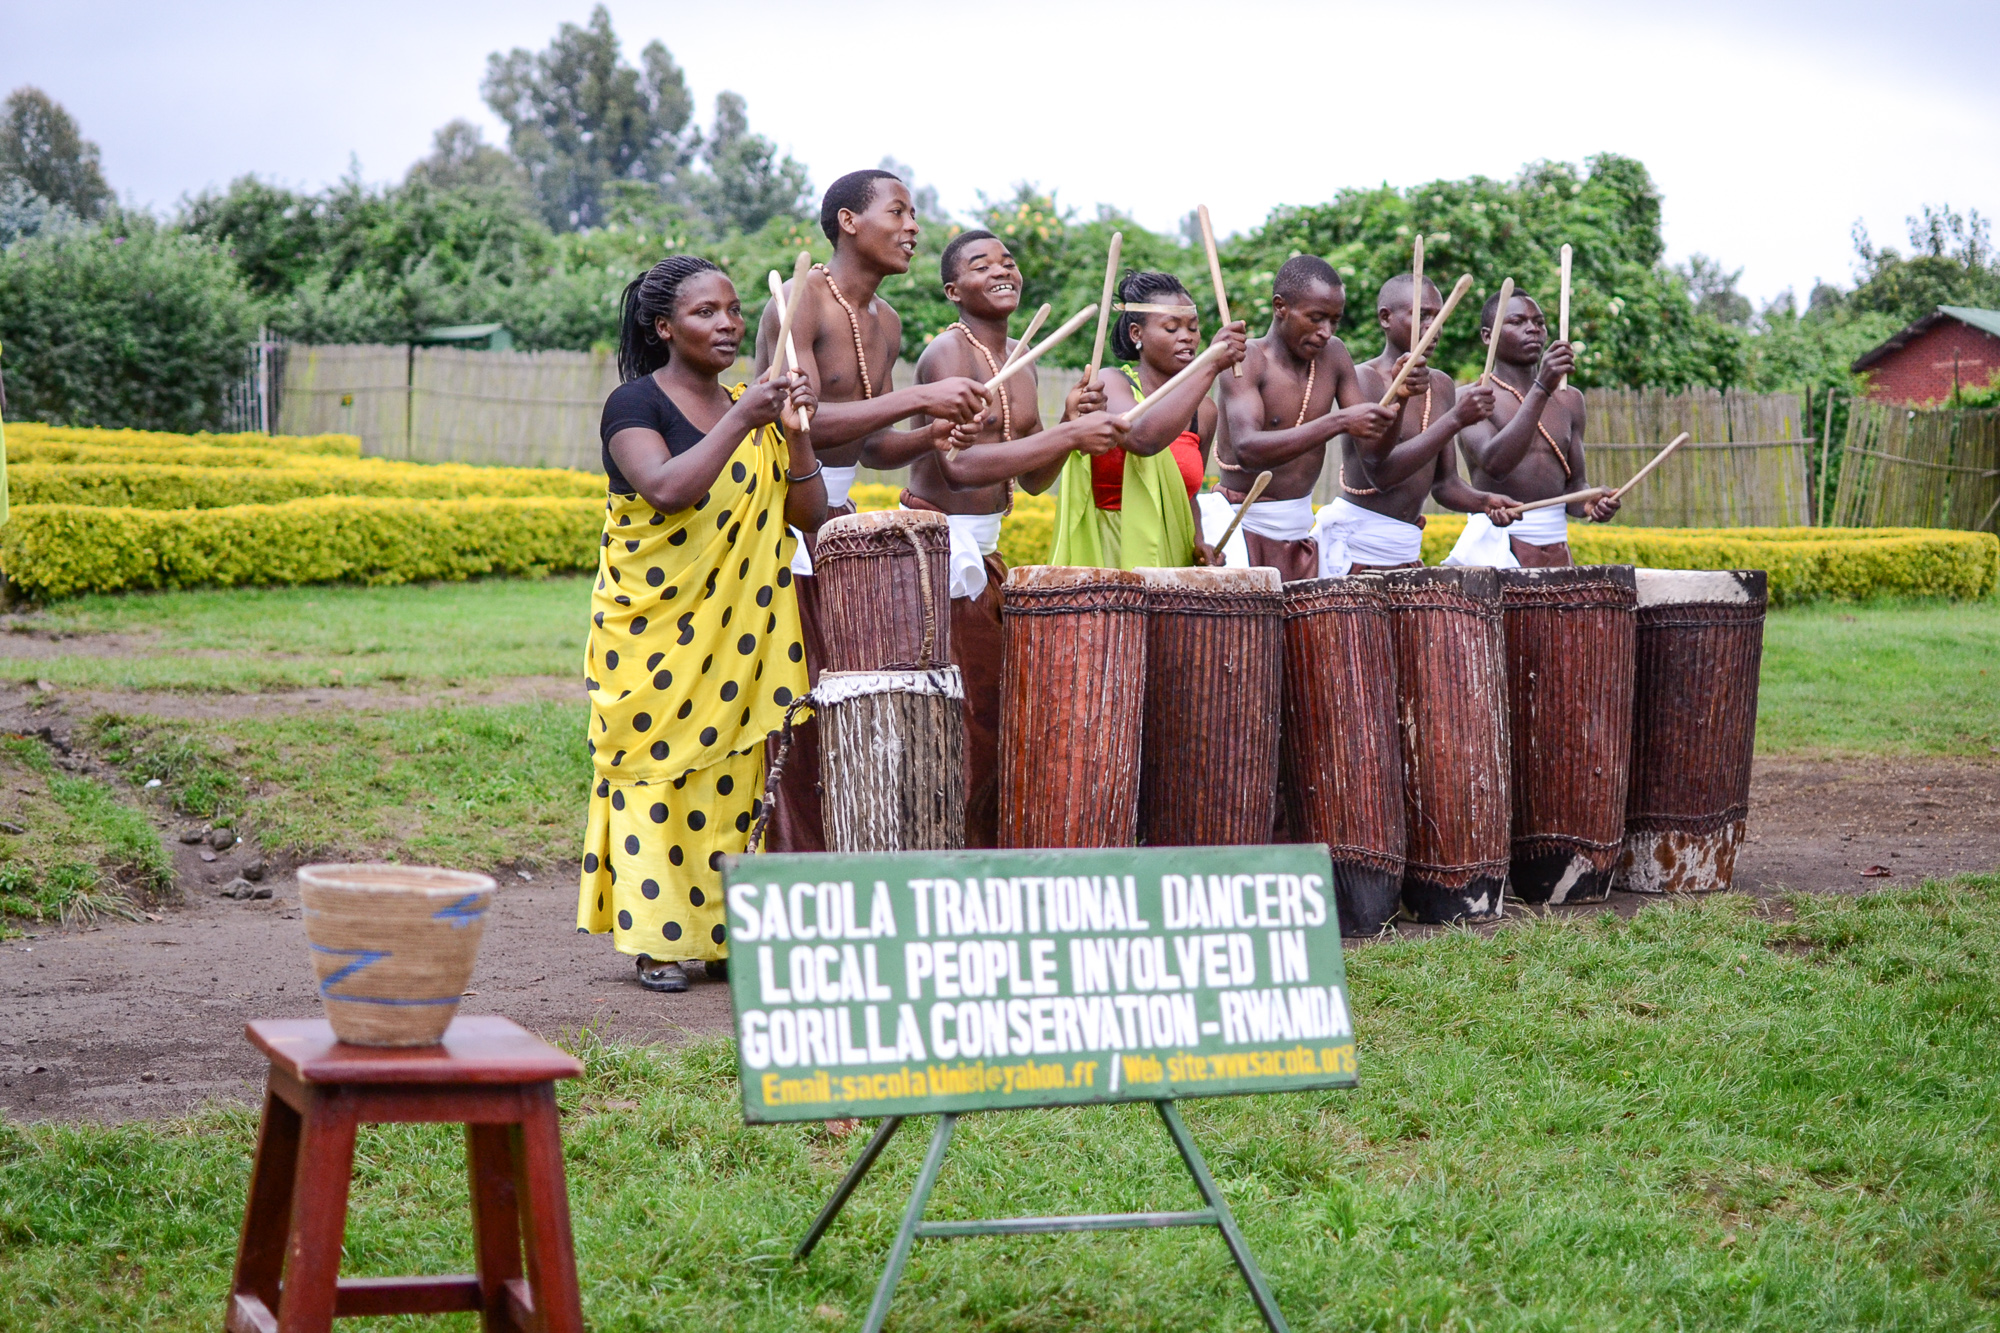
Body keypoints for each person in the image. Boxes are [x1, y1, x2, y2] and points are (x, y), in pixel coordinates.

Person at [579, 255, 825, 994]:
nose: (727, 323)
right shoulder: (634, 404)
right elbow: (666, 489)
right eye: (705, 313)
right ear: (664, 328)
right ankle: (658, 940)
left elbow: (808, 515)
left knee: (732, 779)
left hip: (738, 636)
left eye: (732, 310)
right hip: (653, 633)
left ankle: (721, 934)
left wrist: (796, 429)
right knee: (658, 772)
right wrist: (747, 419)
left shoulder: (751, 403)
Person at [750, 169, 990, 851]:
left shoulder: (885, 320)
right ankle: (789, 864)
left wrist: (931, 435)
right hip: (777, 519)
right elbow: (800, 422)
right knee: (792, 705)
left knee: (842, 703)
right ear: (849, 222)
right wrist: (921, 400)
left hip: (837, 524)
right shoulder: (798, 302)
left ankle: (846, 855)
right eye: (899, 211)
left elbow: (872, 445)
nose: (913, 226)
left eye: (916, 214)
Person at [906, 228, 1133, 846]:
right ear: (954, 290)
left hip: (982, 552)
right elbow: (958, 466)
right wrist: (1065, 438)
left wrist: (1066, 423)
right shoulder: (947, 355)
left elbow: (1032, 480)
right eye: (982, 265)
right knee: (967, 717)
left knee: (992, 710)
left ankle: (979, 847)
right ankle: (949, 853)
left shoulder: (1018, 365)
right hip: (936, 553)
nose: (1002, 269)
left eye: (1008, 260)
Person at [1315, 272, 1520, 574]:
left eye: (1439, 316)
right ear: (1385, 318)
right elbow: (1380, 473)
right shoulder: (1364, 379)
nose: (1433, 327)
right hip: (1357, 555)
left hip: (1407, 552)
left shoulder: (1441, 385)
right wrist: (1454, 419)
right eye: (1423, 315)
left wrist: (1484, 501)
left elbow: (1445, 483)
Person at [1214, 256, 1399, 579]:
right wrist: (1338, 422)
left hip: (1299, 534)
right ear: (1280, 307)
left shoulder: (1334, 356)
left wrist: (1403, 397)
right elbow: (1248, 450)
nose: (1326, 332)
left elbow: (1373, 454)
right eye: (1316, 318)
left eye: (1334, 321)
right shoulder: (1246, 360)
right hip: (1239, 532)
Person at [1053, 270, 1245, 569]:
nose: (1187, 337)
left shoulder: (1204, 411)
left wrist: (1199, 544)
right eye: (1171, 328)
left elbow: (1188, 497)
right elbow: (1142, 438)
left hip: (1172, 564)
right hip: (1110, 558)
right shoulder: (1110, 383)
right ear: (1136, 334)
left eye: (1193, 328)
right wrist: (1210, 366)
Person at [1445, 290, 1619, 568]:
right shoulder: (1473, 398)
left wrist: (1590, 503)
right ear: (1487, 336)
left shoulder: (1569, 399)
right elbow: (1495, 463)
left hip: (1557, 552)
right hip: (1496, 551)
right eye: (1517, 321)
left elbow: (1575, 486)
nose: (1532, 329)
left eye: (1539, 322)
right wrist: (1541, 388)